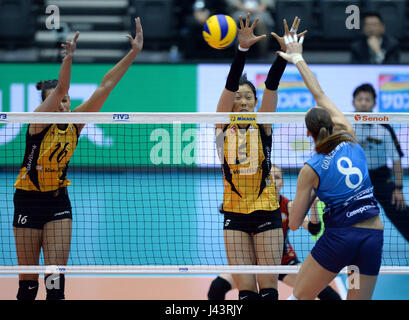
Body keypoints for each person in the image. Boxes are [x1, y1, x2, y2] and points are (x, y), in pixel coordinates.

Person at [12, 18, 143, 300]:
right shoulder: (36, 124)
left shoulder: (75, 124)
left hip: (58, 201)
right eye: (57, 101)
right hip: (27, 199)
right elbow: (60, 87)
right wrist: (69, 58)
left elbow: (105, 86)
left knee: (56, 286)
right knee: (28, 287)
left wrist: (132, 54)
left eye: (67, 100)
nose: (63, 103)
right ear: (44, 105)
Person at [278, 26, 384, 300]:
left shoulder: (310, 169)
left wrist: (305, 197)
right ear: (332, 124)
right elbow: (319, 93)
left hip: (341, 240)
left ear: (308, 133)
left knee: (300, 295)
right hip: (372, 238)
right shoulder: (350, 137)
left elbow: (294, 223)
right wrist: (298, 58)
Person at [215, 14, 306, 300]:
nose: (241, 101)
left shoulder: (263, 123)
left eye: (248, 98)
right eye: (237, 98)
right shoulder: (221, 124)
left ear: (255, 103)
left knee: (268, 291)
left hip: (266, 210)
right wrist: (241, 51)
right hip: (234, 213)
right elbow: (230, 84)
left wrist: (283, 55)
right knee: (246, 294)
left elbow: (271, 84)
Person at [207, 165, 342, 300]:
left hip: (284, 262)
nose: (272, 180)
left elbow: (314, 229)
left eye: (277, 177)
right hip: (252, 262)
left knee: (323, 290)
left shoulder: (288, 205)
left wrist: (313, 206)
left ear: (282, 182)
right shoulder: (248, 205)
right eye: (269, 176)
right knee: (217, 288)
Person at [352, 83, 409, 242]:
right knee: (347, 211)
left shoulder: (384, 127)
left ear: (374, 103)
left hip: (380, 175)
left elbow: (396, 160)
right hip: (354, 177)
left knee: (397, 206)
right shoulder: (345, 125)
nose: (363, 102)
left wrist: (398, 188)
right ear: (354, 102)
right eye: (360, 99)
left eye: (367, 99)